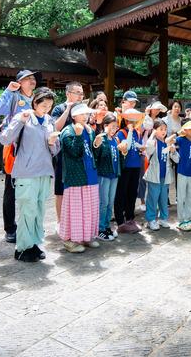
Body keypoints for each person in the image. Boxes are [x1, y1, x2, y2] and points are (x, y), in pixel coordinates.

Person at [0, 87, 59, 262]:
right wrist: (19, 122)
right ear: (35, 103)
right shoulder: (23, 117)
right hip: (26, 172)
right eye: (43, 104)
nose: (46, 108)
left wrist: (53, 142)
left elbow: (55, 150)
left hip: (45, 171)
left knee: (39, 209)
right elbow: (5, 139)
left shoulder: (49, 120)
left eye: (49, 105)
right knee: (27, 209)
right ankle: (22, 248)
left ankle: (34, 244)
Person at [0, 69, 39, 244]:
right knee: (11, 190)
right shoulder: (13, 97)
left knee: (31, 188)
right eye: (27, 78)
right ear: (19, 82)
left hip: (33, 149)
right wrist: (8, 90)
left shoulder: (37, 98)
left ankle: (29, 224)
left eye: (33, 78)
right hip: (14, 148)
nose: (32, 81)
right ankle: (10, 228)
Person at [59, 103, 101, 253]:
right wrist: (77, 136)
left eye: (87, 114)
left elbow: (92, 155)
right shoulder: (68, 131)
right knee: (76, 210)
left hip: (90, 176)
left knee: (89, 209)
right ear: (74, 115)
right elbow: (74, 153)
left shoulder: (89, 131)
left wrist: (96, 145)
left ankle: (87, 236)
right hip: (76, 178)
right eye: (82, 114)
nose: (86, 117)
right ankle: (70, 240)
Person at [51, 81, 84, 233]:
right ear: (68, 93)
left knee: (76, 188)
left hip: (78, 153)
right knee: (60, 190)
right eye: (77, 92)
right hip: (62, 154)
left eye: (81, 93)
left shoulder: (82, 110)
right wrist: (68, 109)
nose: (80, 95)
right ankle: (59, 221)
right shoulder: (59, 108)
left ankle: (74, 220)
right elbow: (55, 127)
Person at [143, 119, 178, 231]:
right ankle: (151, 220)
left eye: (165, 129)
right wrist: (152, 134)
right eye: (161, 129)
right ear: (155, 130)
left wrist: (173, 151)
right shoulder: (153, 142)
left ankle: (163, 218)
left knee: (163, 198)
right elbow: (148, 149)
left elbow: (177, 159)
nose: (163, 131)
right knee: (152, 198)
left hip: (165, 176)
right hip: (154, 176)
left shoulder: (166, 143)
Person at [114, 109, 144, 233]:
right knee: (121, 193)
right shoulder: (121, 133)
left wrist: (142, 148)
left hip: (136, 165)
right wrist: (131, 131)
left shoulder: (137, 132)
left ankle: (130, 218)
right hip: (125, 167)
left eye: (135, 120)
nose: (133, 122)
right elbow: (128, 145)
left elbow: (137, 145)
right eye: (131, 120)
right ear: (126, 120)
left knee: (132, 193)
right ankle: (120, 221)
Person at [93, 112, 122, 241]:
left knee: (110, 202)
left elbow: (119, 159)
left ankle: (106, 226)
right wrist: (97, 145)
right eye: (111, 126)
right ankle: (100, 228)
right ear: (105, 125)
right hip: (103, 175)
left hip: (114, 175)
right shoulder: (101, 139)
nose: (114, 129)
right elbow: (97, 156)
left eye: (116, 127)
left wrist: (124, 152)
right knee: (103, 203)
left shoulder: (116, 140)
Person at [140, 101, 168, 211]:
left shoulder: (160, 122)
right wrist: (146, 115)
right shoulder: (145, 118)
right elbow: (142, 129)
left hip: (156, 151)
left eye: (159, 109)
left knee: (156, 179)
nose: (157, 111)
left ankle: (155, 203)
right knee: (145, 177)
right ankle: (143, 200)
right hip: (145, 150)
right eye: (155, 108)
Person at [175, 121, 191, 231]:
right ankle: (180, 221)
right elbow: (169, 141)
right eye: (189, 128)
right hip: (182, 172)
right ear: (185, 130)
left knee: (190, 197)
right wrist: (178, 133)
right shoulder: (180, 140)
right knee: (181, 197)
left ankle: (188, 219)